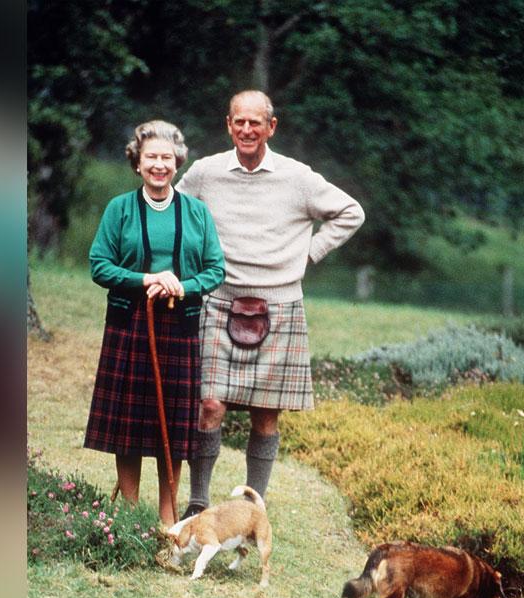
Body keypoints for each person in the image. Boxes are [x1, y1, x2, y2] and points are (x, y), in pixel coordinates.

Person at [175, 90, 364, 518]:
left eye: (255, 123)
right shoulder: (205, 173)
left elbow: (351, 212)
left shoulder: (298, 178)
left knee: (266, 415)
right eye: (239, 122)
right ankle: (198, 503)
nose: (246, 130)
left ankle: (251, 507)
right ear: (228, 125)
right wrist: (189, 260)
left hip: (278, 306)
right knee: (209, 405)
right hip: (218, 300)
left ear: (271, 127)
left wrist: (309, 254)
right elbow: (177, 211)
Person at [84, 120, 225, 525]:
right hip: (129, 327)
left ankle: (168, 517)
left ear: (178, 162)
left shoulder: (197, 213)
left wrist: (181, 286)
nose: (159, 165)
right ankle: (129, 513)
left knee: (174, 426)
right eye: (151, 158)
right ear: (137, 162)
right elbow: (99, 265)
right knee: (128, 423)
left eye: (167, 158)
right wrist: (146, 279)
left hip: (179, 329)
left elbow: (216, 270)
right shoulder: (119, 209)